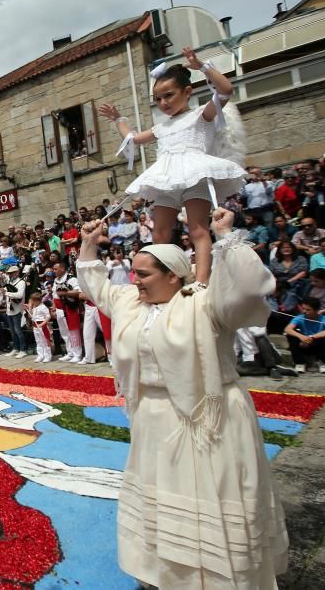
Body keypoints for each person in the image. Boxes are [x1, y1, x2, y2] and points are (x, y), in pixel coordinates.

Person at [76, 209, 288, 589]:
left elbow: (250, 289)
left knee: (210, 496)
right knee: (161, 500)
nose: (135, 280)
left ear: (174, 275)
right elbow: (98, 287)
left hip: (209, 420)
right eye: (134, 273)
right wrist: (89, 243)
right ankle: (164, 574)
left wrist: (226, 237)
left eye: (144, 274)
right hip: (153, 421)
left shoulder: (204, 303)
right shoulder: (130, 303)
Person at [99, 48, 245, 292]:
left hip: (193, 172)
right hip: (166, 177)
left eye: (168, 95)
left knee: (198, 228)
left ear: (187, 92)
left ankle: (201, 280)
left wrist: (202, 66)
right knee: (160, 233)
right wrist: (118, 119)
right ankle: (165, 280)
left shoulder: (201, 115)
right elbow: (133, 139)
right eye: (158, 99)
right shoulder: (161, 127)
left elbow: (226, 90)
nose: (163, 103)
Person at [284, 297, 325, 374]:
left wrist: (312, 337)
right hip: (303, 343)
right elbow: (288, 329)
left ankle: (324, 363)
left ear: (316, 310)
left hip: (318, 344)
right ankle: (300, 363)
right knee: (291, 336)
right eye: (303, 309)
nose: (304, 311)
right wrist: (301, 337)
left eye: (308, 310)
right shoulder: (300, 318)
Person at [28, 292, 52, 363]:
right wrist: (29, 307)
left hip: (42, 326)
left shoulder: (43, 307)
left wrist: (42, 324)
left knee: (45, 341)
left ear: (37, 301)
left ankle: (47, 356)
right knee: (38, 341)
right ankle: (40, 355)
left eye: (32, 301)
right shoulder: (34, 307)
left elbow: (48, 316)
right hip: (35, 326)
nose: (31, 302)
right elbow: (30, 316)